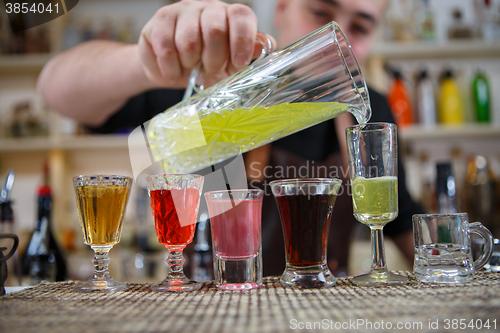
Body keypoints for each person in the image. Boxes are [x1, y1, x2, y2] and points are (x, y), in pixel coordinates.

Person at [38, 0, 422, 276]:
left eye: (361, 26)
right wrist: (148, 62)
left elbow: (400, 222)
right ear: (283, 8)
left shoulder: (371, 112)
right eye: (321, 12)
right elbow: (54, 89)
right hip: (211, 308)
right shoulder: (216, 81)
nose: (335, 36)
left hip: (319, 310)